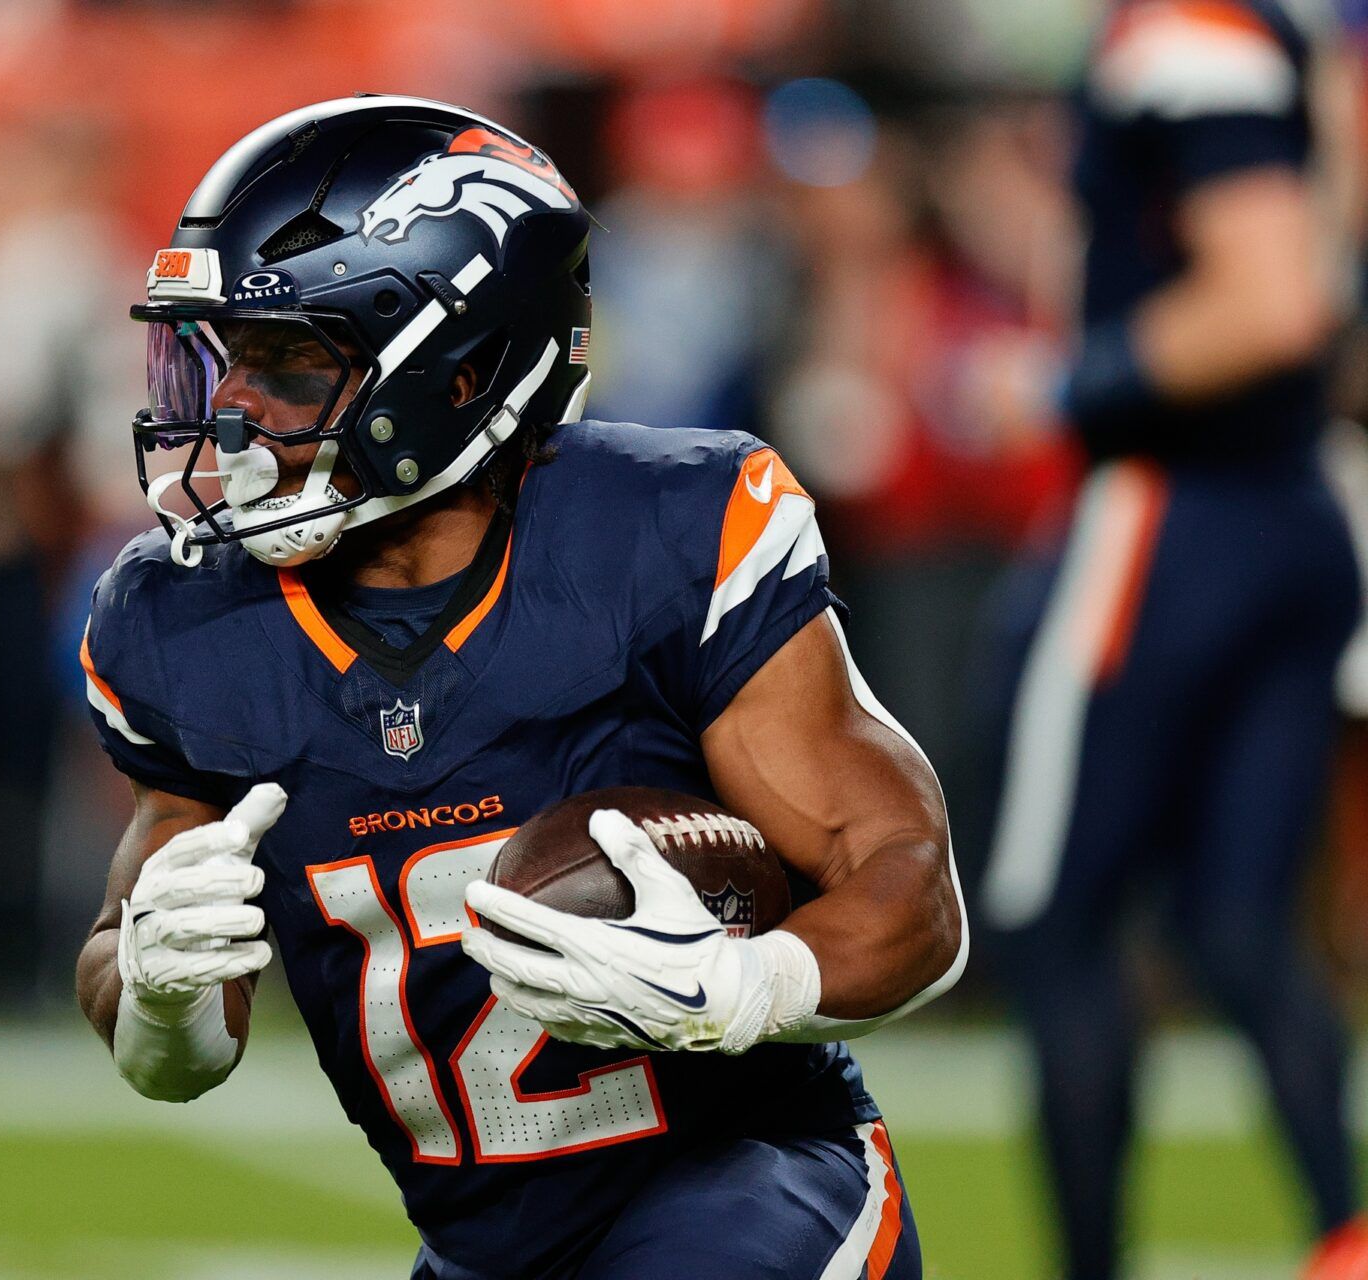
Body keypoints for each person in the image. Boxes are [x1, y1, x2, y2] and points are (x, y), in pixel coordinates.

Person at [73, 96, 965, 1279]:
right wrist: (159, 996)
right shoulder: (183, 618)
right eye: (224, 355)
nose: (232, 407)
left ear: (457, 370)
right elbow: (154, 1000)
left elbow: (907, 881)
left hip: (758, 1190)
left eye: (288, 359)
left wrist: (745, 984)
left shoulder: (662, 533)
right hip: (482, 1252)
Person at [977, 3, 1368, 1277]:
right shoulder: (1272, 34)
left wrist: (1064, 383)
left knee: (1057, 920)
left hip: (1169, 514)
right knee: (1238, 925)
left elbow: (1273, 299)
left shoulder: (1190, 35)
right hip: (1289, 503)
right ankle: (1346, 1232)